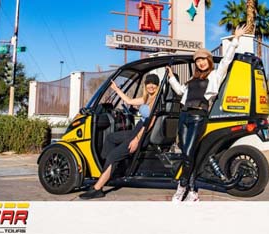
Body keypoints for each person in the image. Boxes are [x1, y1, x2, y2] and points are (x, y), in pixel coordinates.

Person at [166, 25, 247, 202]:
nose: (201, 62)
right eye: (198, 60)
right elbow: (180, 92)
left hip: (198, 117)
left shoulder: (215, 76)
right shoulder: (192, 80)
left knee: (188, 154)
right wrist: (171, 78)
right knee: (189, 154)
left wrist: (236, 40)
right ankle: (193, 191)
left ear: (209, 61)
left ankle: (182, 186)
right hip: (184, 116)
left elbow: (226, 61)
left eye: (204, 59)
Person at [79, 74, 160, 199]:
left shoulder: (156, 100)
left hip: (143, 134)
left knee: (113, 155)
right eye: (148, 83)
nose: (151, 86)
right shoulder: (147, 98)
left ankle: (98, 189)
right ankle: (106, 173)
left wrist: (137, 140)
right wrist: (116, 89)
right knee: (111, 138)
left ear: (157, 86)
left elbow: (149, 124)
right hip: (137, 130)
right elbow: (129, 101)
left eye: (154, 83)